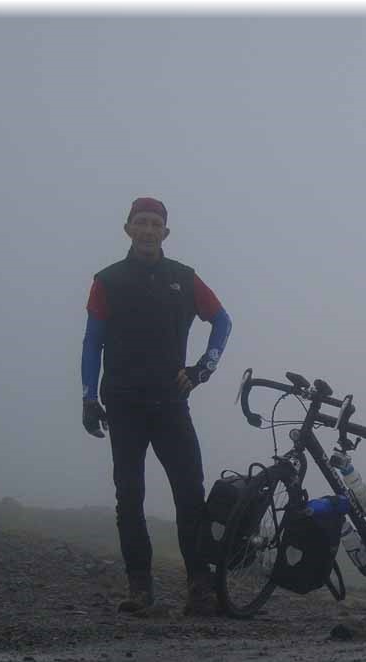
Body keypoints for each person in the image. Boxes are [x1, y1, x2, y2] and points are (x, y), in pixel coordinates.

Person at [80, 197, 233, 617]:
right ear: (128, 228)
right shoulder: (107, 280)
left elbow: (222, 321)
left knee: (190, 493)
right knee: (129, 495)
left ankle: (199, 587)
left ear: (166, 233)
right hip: (124, 402)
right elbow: (92, 340)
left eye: (156, 224)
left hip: (171, 403)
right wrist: (88, 396)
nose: (148, 230)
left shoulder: (184, 278)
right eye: (141, 223)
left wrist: (204, 368)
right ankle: (139, 588)